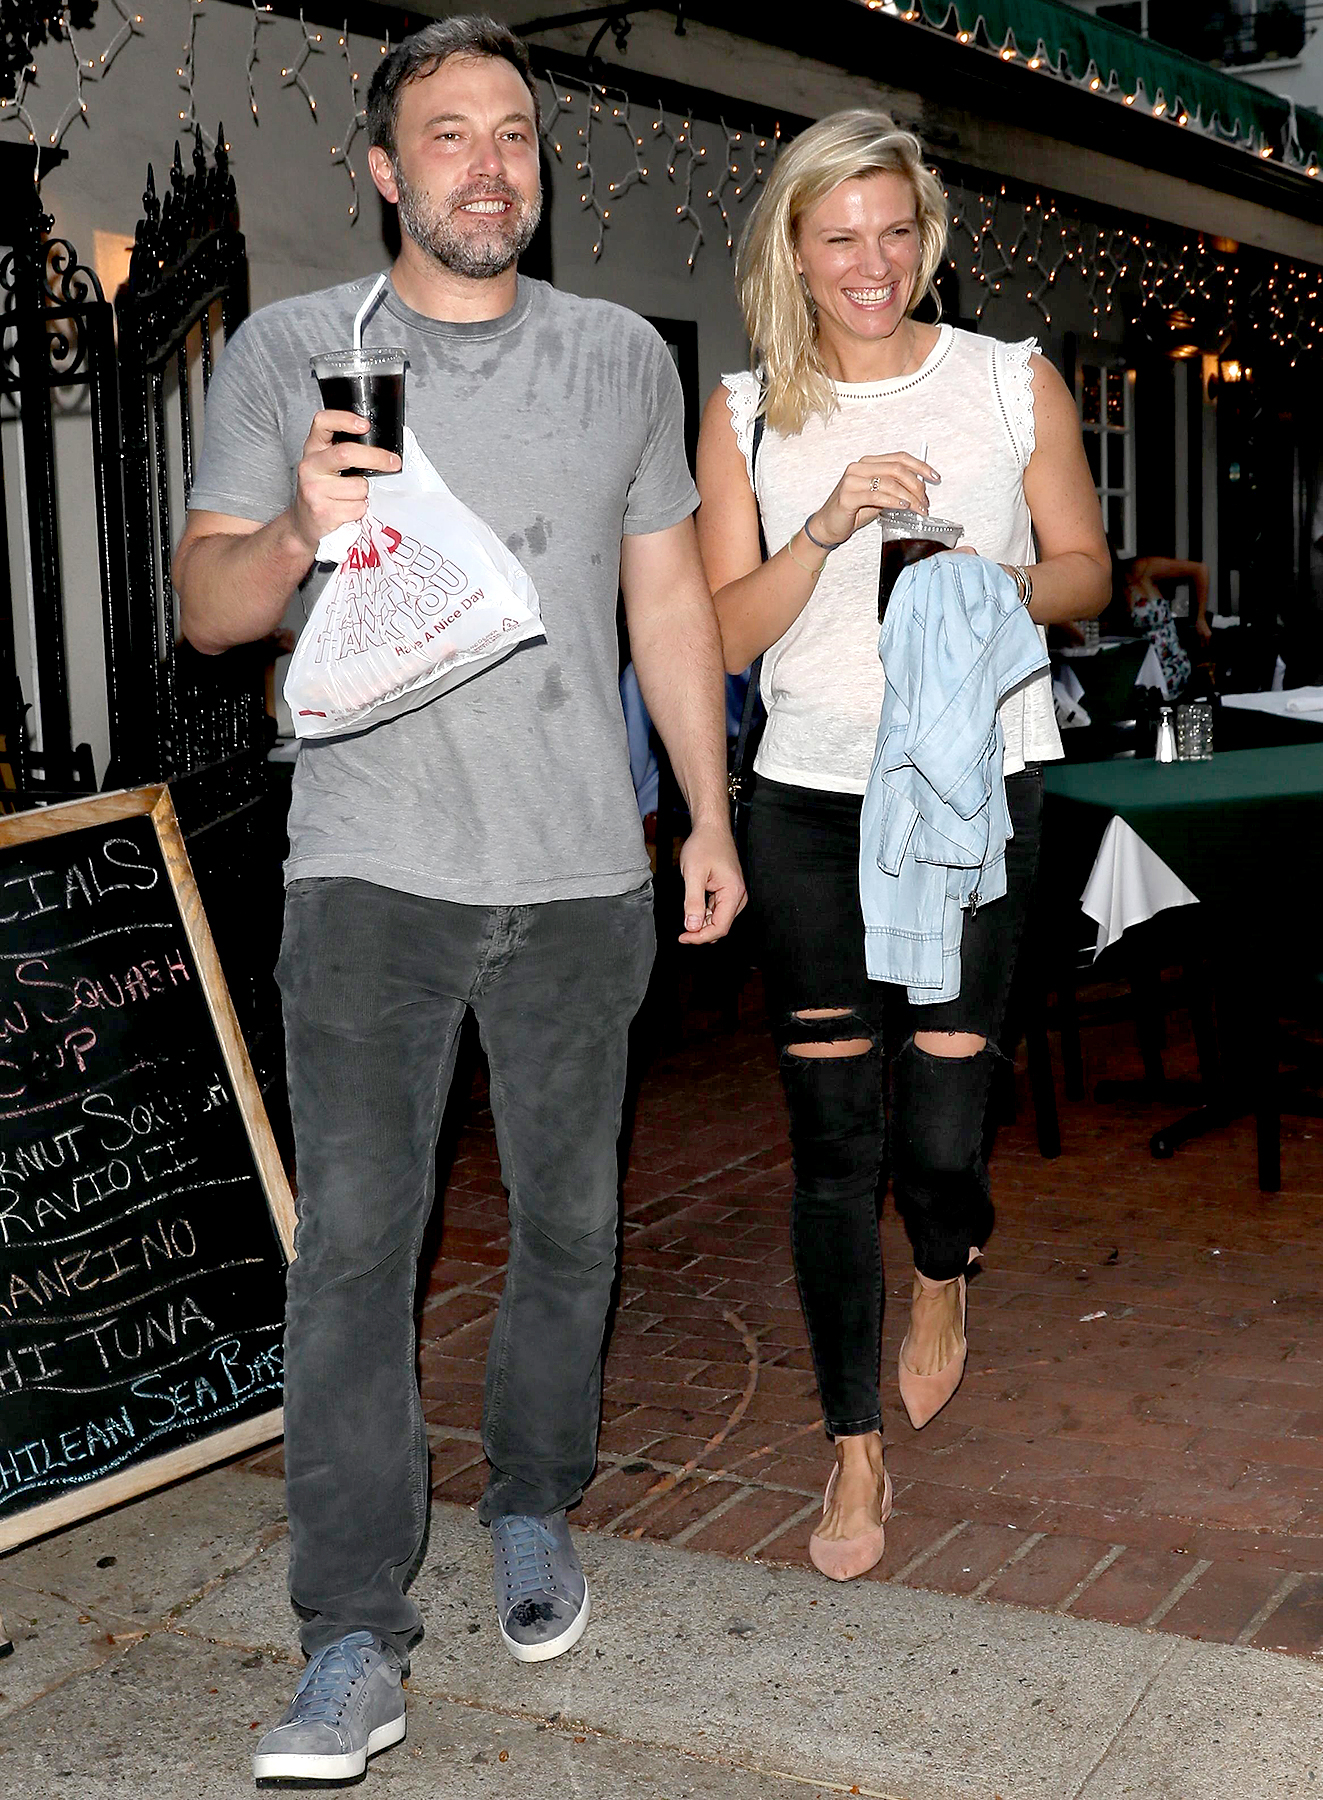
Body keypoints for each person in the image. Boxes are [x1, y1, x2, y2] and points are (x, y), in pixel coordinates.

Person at [174, 16, 743, 1784]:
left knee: (572, 1228)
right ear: (381, 167)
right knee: (356, 1248)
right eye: (446, 134)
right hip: (370, 870)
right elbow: (206, 609)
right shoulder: (295, 351)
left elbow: (665, 601)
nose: (486, 166)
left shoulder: (618, 359)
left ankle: (530, 1502)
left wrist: (703, 814)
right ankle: (350, 1634)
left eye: (511, 134)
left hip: (579, 870)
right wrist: (294, 532)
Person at [695, 110, 1109, 1582]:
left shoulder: (1007, 381)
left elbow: (1086, 571)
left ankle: (942, 1268)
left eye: (891, 231)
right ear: (793, 252)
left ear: (923, 236)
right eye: (836, 237)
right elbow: (721, 635)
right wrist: (817, 529)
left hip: (971, 792)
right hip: (808, 802)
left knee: (938, 1137)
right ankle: (852, 1447)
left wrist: (996, 584)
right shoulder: (745, 410)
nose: (867, 262)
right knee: (830, 1145)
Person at [1117, 552, 1211, 695]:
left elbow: (1200, 569)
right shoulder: (1104, 591)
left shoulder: (1140, 569)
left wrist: (1201, 618)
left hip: (1173, 664)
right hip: (1140, 673)